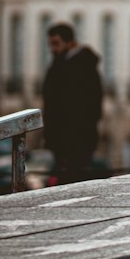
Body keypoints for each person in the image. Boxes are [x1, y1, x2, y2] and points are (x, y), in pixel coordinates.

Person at [42, 21, 104, 183]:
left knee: (73, 179)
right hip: (62, 138)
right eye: (51, 44)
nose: (53, 49)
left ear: (70, 43)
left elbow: (92, 105)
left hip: (77, 138)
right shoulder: (59, 64)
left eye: (56, 44)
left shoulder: (83, 66)